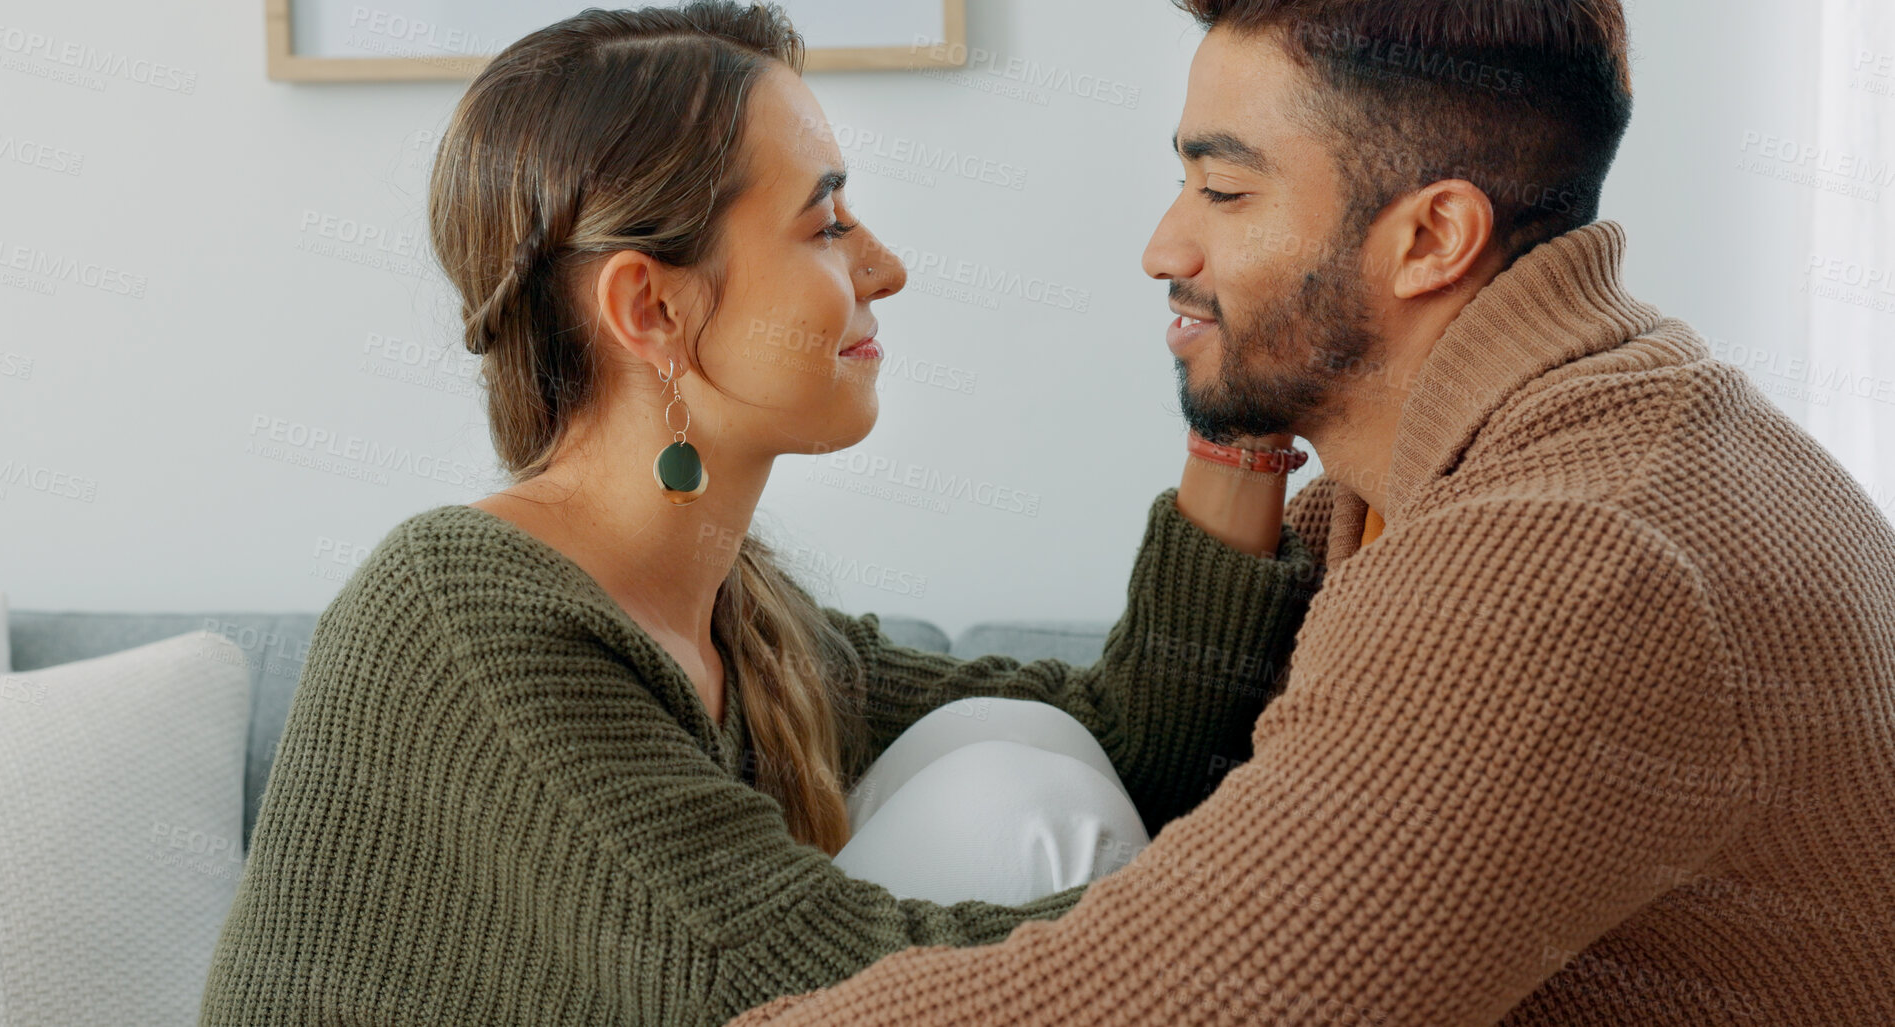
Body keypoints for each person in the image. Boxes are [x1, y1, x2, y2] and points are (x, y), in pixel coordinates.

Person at [727, 1, 1895, 1024]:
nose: (1162, 246)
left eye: (1226, 190)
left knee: (1005, 797)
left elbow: (1175, 997)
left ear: (1432, 238)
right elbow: (1159, 733)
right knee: (1006, 751)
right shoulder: (1503, 452)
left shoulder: (1568, 556)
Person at [196, 4, 1325, 1026]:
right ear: (651, 306)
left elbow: (1137, 747)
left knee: (1024, 746)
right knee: (1015, 797)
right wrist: (1356, 907)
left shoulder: (734, 609)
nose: (885, 265)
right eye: (826, 222)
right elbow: (798, 987)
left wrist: (1246, 405)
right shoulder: (463, 622)